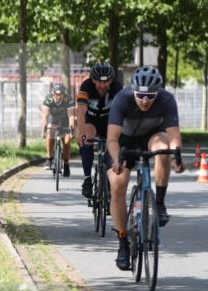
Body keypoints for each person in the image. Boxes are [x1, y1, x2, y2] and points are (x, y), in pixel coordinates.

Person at [106, 66, 184, 271]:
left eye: (150, 96)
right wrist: (116, 159)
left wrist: (177, 155)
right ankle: (123, 242)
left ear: (158, 92)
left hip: (152, 137)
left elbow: (174, 135)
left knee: (163, 148)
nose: (145, 100)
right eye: (140, 95)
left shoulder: (167, 100)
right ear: (134, 91)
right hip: (124, 142)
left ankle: (159, 203)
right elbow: (112, 138)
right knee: (117, 183)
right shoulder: (122, 99)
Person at [76, 62, 122, 198]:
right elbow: (81, 111)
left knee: (112, 145)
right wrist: (80, 132)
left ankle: (109, 179)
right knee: (88, 135)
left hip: (109, 120)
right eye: (99, 82)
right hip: (92, 120)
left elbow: (123, 112)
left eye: (107, 82)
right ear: (93, 80)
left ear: (111, 80)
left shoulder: (117, 88)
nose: (103, 86)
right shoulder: (86, 86)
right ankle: (87, 179)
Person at [41, 83, 76, 176]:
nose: (58, 97)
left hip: (65, 119)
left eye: (60, 95)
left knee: (67, 142)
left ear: (64, 94)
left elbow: (71, 116)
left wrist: (72, 129)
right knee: (49, 133)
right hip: (53, 118)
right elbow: (45, 116)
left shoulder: (69, 99)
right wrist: (44, 129)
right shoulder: (48, 99)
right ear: (53, 94)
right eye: (56, 95)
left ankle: (66, 165)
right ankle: (49, 159)